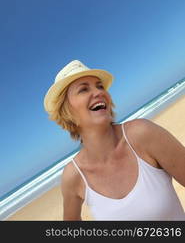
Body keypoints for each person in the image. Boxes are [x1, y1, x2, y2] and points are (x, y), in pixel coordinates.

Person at [44, 60, 185, 221]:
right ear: (67, 110)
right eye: (83, 89)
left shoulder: (142, 135)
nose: (98, 92)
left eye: (100, 86)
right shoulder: (74, 176)